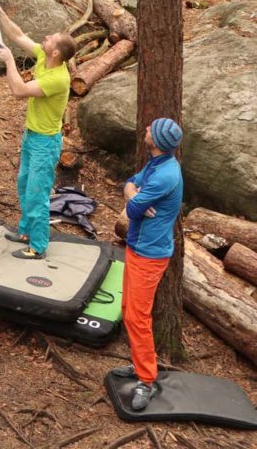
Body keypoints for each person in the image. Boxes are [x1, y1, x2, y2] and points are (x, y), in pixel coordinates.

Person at [0, 0, 75, 260]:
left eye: (50, 39)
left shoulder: (58, 78)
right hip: (31, 135)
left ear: (56, 53)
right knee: (24, 185)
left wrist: (9, 63)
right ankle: (25, 231)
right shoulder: (43, 56)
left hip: (46, 144)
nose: (45, 38)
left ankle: (38, 246)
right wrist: (0, 11)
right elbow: (18, 35)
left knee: (37, 194)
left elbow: (19, 91)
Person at [113, 117, 184, 411]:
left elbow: (132, 209)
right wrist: (132, 191)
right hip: (137, 247)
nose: (145, 129)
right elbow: (130, 185)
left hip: (150, 255)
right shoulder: (156, 163)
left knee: (138, 318)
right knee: (128, 311)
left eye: (150, 130)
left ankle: (146, 379)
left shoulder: (165, 175)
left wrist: (133, 197)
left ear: (157, 140)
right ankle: (141, 363)